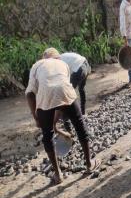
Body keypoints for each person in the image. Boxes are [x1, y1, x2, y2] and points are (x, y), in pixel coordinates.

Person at [25, 48, 98, 184]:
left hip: (45, 97)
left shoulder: (37, 65)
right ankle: (89, 164)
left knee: (47, 136)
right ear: (56, 57)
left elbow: (29, 94)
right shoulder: (63, 64)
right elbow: (60, 94)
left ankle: (58, 175)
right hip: (65, 91)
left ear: (44, 58)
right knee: (80, 125)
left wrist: (37, 118)